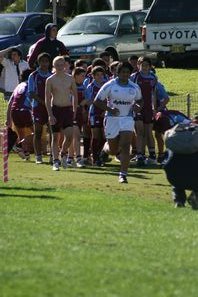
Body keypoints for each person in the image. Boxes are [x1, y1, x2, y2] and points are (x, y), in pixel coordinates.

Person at [94, 62, 142, 183]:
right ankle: (105, 150)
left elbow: (140, 101)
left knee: (126, 146)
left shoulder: (134, 87)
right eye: (123, 72)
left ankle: (123, 174)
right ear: (117, 73)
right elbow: (97, 101)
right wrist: (110, 109)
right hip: (112, 119)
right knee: (113, 150)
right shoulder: (110, 85)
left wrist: (137, 106)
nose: (125, 74)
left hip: (127, 119)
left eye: (127, 72)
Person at [45, 56, 78, 171]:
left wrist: (74, 110)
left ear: (65, 65)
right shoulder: (50, 80)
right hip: (56, 109)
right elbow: (47, 99)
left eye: (61, 64)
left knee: (69, 136)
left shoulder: (70, 79)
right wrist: (50, 114)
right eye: (57, 65)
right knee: (55, 137)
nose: (60, 67)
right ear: (54, 66)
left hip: (67, 110)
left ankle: (63, 154)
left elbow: (75, 95)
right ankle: (55, 161)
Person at [131, 56, 158, 166]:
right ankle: (140, 154)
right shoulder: (134, 76)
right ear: (138, 65)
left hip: (148, 108)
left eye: (147, 65)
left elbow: (154, 93)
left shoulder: (153, 77)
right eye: (143, 65)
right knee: (139, 132)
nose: (145, 67)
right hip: (138, 107)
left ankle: (152, 155)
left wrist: (154, 108)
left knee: (148, 132)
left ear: (150, 66)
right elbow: (131, 91)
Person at [28, 53, 52, 164]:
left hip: (50, 108)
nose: (44, 63)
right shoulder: (33, 75)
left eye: (46, 61)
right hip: (38, 107)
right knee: (38, 132)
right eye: (42, 61)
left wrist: (50, 104)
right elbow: (31, 93)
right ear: (38, 62)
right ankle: (38, 156)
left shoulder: (52, 76)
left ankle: (53, 155)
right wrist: (43, 102)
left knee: (52, 132)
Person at [6, 69, 33, 159]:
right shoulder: (30, 85)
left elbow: (10, 102)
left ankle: (25, 152)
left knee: (22, 133)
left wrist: (8, 118)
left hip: (14, 111)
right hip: (25, 111)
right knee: (37, 132)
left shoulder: (18, 86)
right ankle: (19, 144)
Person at [86, 66, 106, 166]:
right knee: (96, 135)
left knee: (105, 136)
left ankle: (100, 155)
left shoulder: (106, 86)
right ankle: (95, 157)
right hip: (94, 113)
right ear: (93, 76)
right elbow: (90, 101)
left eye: (101, 75)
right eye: (97, 75)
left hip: (105, 113)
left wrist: (106, 110)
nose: (100, 77)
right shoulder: (91, 86)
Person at [67, 67, 87, 168]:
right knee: (76, 136)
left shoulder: (83, 87)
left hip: (79, 114)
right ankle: (78, 158)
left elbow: (87, 98)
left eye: (84, 76)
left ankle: (70, 158)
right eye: (82, 76)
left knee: (74, 137)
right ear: (75, 76)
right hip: (71, 113)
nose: (84, 78)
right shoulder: (70, 86)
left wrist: (83, 104)